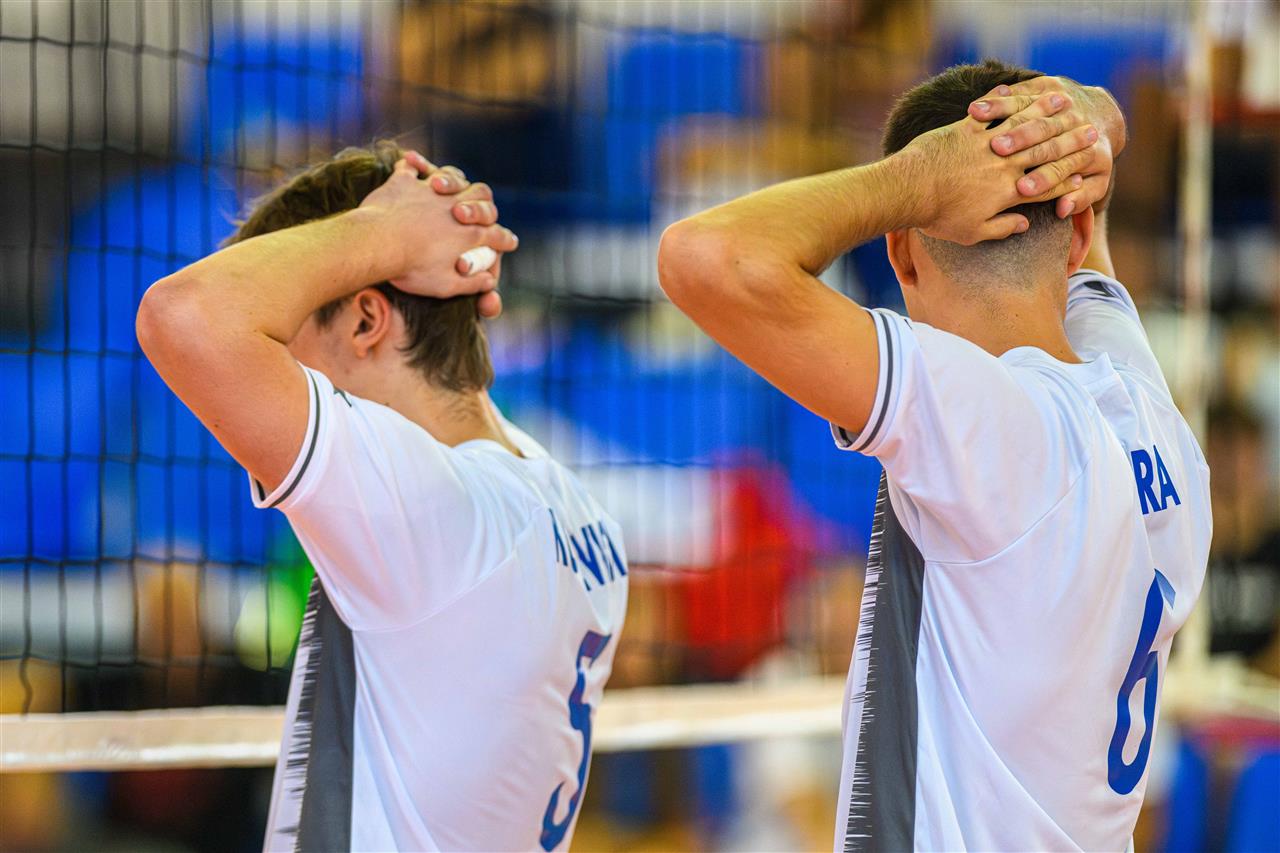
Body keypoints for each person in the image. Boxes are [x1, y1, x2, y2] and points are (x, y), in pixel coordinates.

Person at [657, 59, 1210, 852]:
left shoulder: (990, 425)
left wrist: (917, 179)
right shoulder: (1145, 406)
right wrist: (1082, 121)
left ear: (902, 255)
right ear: (1080, 235)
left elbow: (704, 256)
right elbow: (1110, 127)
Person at [136, 142, 628, 852]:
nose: (279, 363)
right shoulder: (576, 512)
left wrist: (389, 234)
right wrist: (438, 240)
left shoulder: (431, 511)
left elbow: (182, 315)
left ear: (366, 321)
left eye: (287, 334)